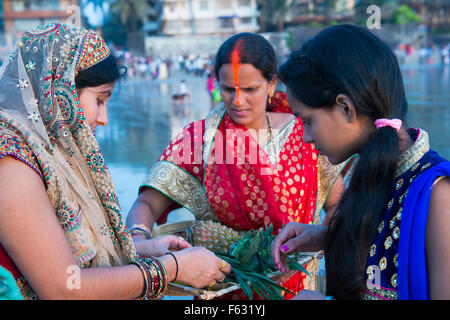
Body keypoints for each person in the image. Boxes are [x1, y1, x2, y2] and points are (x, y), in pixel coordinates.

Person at [0, 23, 230, 300]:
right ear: (59, 90)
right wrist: (171, 268)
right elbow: (64, 289)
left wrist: (140, 250)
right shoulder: (11, 162)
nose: (104, 118)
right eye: (99, 100)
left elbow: (67, 251)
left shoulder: (48, 151)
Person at [127, 32, 344, 299]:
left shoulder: (305, 132)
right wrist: (138, 240)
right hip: (222, 286)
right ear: (216, 83)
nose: (238, 101)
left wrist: (322, 241)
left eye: (251, 90)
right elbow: (147, 203)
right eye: (228, 89)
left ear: (272, 83)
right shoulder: (200, 139)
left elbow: (336, 204)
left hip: (296, 286)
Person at [271, 24, 450, 300]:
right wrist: (329, 237)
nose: (305, 137)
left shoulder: (439, 195)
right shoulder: (369, 171)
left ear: (346, 107)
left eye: (307, 120)